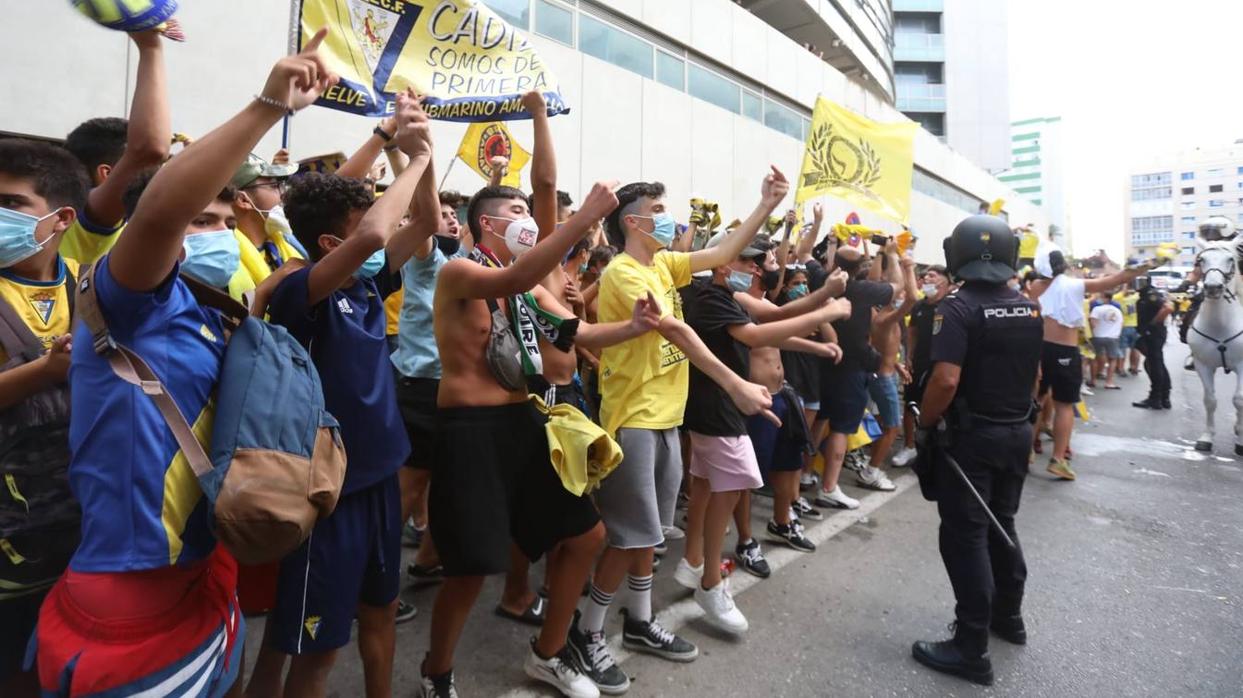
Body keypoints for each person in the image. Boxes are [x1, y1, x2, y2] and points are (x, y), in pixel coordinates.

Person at [35, 29, 338, 697]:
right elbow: (159, 200)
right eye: (196, 221)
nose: (216, 233)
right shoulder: (122, 300)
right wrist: (265, 103)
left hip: (205, 569)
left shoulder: (208, 312)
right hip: (129, 590)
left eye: (222, 219)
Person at [420, 175, 661, 698]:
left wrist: (635, 328)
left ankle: (548, 654)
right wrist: (583, 219)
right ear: (487, 222)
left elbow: (577, 333)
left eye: (531, 208)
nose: (527, 217)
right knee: (468, 568)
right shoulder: (459, 271)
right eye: (516, 208)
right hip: (470, 433)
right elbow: (518, 277)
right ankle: (436, 672)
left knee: (586, 535)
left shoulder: (524, 285)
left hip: (525, 422)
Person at [568, 173, 780, 694]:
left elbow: (724, 250)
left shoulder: (662, 262)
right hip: (635, 419)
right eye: (658, 209)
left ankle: (638, 623)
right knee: (627, 537)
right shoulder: (622, 272)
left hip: (666, 418)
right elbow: (676, 330)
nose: (669, 217)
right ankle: (586, 633)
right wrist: (735, 384)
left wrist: (765, 203)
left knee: (652, 536)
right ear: (633, 221)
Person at [262, 91, 433, 698]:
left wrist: (426, 154)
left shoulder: (364, 289)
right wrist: (409, 162)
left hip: (379, 480)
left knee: (380, 615)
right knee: (312, 645)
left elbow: (426, 225)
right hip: (325, 491)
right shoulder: (298, 293)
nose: (374, 240)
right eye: (358, 230)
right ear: (332, 246)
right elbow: (373, 236)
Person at [674, 233, 849, 630]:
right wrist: (827, 311)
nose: (755, 268)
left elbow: (772, 323)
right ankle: (710, 583)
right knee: (734, 484)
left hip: (717, 404)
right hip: (720, 406)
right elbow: (756, 336)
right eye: (746, 261)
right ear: (720, 262)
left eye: (758, 261)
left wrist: (817, 343)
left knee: (705, 484)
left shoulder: (724, 296)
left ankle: (693, 560)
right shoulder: (711, 297)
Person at [911, 215, 1042, 687]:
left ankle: (971, 647)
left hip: (973, 439)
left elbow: (945, 380)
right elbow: (1034, 377)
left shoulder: (958, 308)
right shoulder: (1028, 308)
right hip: (1016, 431)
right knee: (1001, 524)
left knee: (964, 535)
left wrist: (925, 427)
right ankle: (1008, 618)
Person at [0, 140, 90, 698]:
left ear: (61, 219)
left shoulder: (89, 281)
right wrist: (45, 371)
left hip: (84, 524)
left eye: (12, 203)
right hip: (10, 535)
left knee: (66, 662)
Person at [1028, 246, 1154, 480]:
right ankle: (1057, 460)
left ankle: (1026, 452)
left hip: (1039, 350)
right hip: (1065, 351)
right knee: (1064, 405)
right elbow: (1116, 279)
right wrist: (1143, 267)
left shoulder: (1034, 287)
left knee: (1036, 400)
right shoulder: (1074, 285)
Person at [59, 25, 175, 266]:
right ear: (107, 175)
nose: (161, 174)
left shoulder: (130, 225)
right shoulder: (87, 220)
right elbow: (149, 149)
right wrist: (150, 46)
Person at [812, 237, 903, 510]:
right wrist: (893, 255)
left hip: (823, 361)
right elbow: (898, 287)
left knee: (820, 420)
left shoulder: (821, 280)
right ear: (859, 267)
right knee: (840, 428)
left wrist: (825, 240)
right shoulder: (863, 291)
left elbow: (805, 252)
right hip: (851, 368)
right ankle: (829, 487)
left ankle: (805, 472)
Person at [865, 254, 919, 475]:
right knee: (892, 427)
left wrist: (897, 365)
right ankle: (872, 471)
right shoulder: (886, 318)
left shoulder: (882, 316)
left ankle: (869, 463)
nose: (903, 296)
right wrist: (908, 268)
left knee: (880, 423)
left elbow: (882, 349)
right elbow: (914, 298)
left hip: (883, 372)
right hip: (882, 378)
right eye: (900, 293)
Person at [893, 265, 952, 467]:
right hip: (919, 362)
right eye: (925, 275)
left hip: (942, 364)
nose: (927, 279)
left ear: (946, 282)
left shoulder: (951, 307)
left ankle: (935, 449)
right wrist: (909, 356)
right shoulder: (919, 306)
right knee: (911, 403)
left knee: (940, 405)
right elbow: (912, 332)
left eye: (932, 276)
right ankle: (909, 447)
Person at [1132, 280, 1174, 410]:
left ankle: (1156, 398)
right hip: (1150, 333)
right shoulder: (1146, 294)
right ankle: (1164, 398)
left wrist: (1153, 324)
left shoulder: (1151, 294)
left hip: (1153, 333)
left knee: (1154, 364)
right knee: (1156, 364)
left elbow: (1168, 308)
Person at [1088, 294, 1124, 390]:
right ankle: (1109, 382)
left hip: (1098, 336)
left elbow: (1093, 323)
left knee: (1094, 358)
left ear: (1105, 298)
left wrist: (1090, 334)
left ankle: (1093, 380)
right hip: (1113, 337)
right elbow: (1120, 324)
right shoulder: (1117, 311)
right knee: (1112, 359)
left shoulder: (1096, 309)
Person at [1115, 286, 1142, 376]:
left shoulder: (1119, 299)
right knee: (1135, 348)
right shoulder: (1135, 298)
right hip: (1135, 325)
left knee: (1122, 348)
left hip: (1124, 326)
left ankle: (1121, 368)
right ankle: (1134, 367)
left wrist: (1125, 285)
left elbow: (1121, 292)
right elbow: (1138, 293)